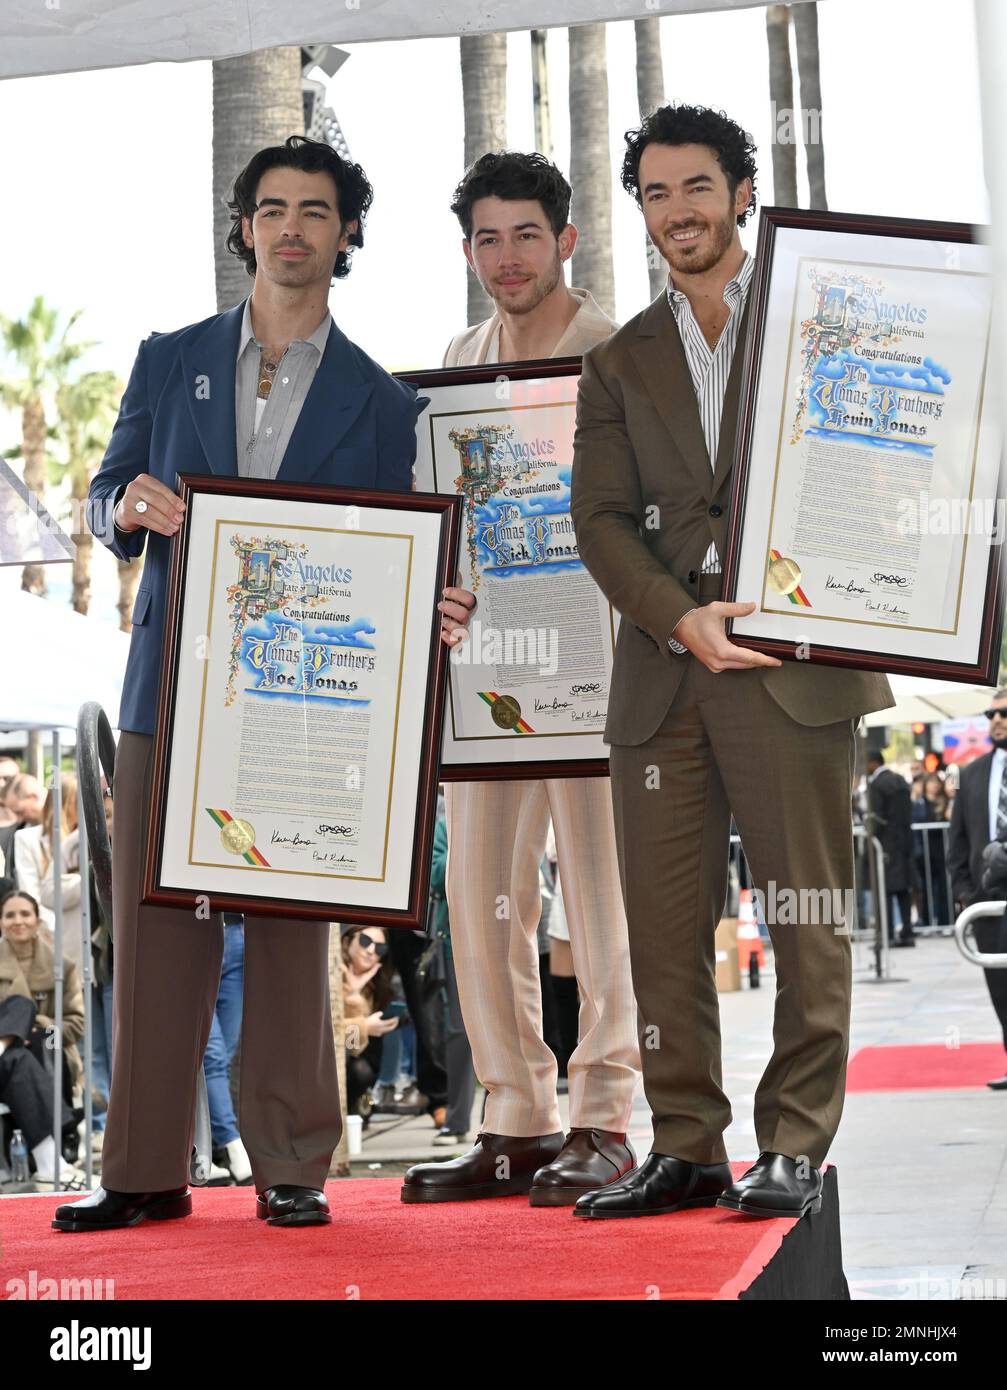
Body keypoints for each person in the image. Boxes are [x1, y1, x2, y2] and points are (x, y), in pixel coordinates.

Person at [54, 134, 474, 1235]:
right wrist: (122, 509)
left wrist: (432, 604)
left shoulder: (386, 406)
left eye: (317, 211)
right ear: (243, 227)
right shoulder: (167, 357)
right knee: (157, 929)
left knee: (292, 926)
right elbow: (106, 490)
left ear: (345, 237)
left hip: (301, 706)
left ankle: (293, 1160)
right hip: (167, 692)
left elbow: (395, 560)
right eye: (273, 208)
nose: (292, 228)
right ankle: (142, 1168)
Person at [569, 104, 894, 1220]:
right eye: (653, 195)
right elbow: (600, 521)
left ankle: (794, 1141)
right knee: (662, 929)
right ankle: (688, 1144)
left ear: (742, 193)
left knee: (805, 914)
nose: (675, 212)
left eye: (694, 187)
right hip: (665, 675)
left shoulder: (828, 319)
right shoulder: (617, 361)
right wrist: (677, 617)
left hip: (795, 668)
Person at [403, 152, 640, 1209]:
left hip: (600, 668)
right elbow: (437, 516)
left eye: (525, 236)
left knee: (602, 901)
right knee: (480, 897)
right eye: (486, 240)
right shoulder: (455, 360)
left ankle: (604, 1112)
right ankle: (512, 1116)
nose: (506, 258)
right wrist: (437, 590)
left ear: (566, 241)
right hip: (484, 674)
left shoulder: (619, 353)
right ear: (467, 251)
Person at [0, 890, 88, 1189]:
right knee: (20, 1005)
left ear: (37, 920)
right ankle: (53, 1162)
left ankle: (5, 1045)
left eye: (25, 914)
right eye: (10, 915)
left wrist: (33, 1031)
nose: (18, 921)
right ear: (0, 922)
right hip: (17, 1072)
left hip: (46, 1058)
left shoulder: (62, 966)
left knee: (24, 1050)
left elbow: (77, 1022)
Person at [947, 692, 1007, 1089]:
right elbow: (957, 841)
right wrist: (966, 895)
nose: (996, 720)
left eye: (1004, 713)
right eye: (991, 714)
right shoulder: (971, 774)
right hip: (987, 899)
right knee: (1000, 986)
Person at [14, 771, 83, 962]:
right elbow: (30, 893)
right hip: (48, 939)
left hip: (82, 939)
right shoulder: (27, 839)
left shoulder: (83, 841)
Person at [341, 926, 400, 1118]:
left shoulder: (370, 986)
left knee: (362, 1068)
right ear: (348, 940)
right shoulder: (331, 972)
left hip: (343, 1062)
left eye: (380, 948)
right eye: (366, 941)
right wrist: (364, 1026)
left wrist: (354, 996)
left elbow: (353, 1047)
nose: (371, 951)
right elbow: (322, 1034)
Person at [865, 752, 917, 946]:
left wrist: (870, 835)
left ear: (873, 763)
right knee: (904, 889)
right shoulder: (901, 781)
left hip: (886, 844)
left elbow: (875, 818)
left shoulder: (877, 785)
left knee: (884, 891)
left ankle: (887, 935)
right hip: (905, 841)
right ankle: (907, 932)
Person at [912, 772, 951, 927]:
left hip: (942, 851)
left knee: (944, 888)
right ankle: (927, 921)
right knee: (926, 888)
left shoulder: (944, 802)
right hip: (925, 853)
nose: (934, 785)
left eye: (937, 782)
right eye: (931, 782)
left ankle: (945, 921)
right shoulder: (920, 804)